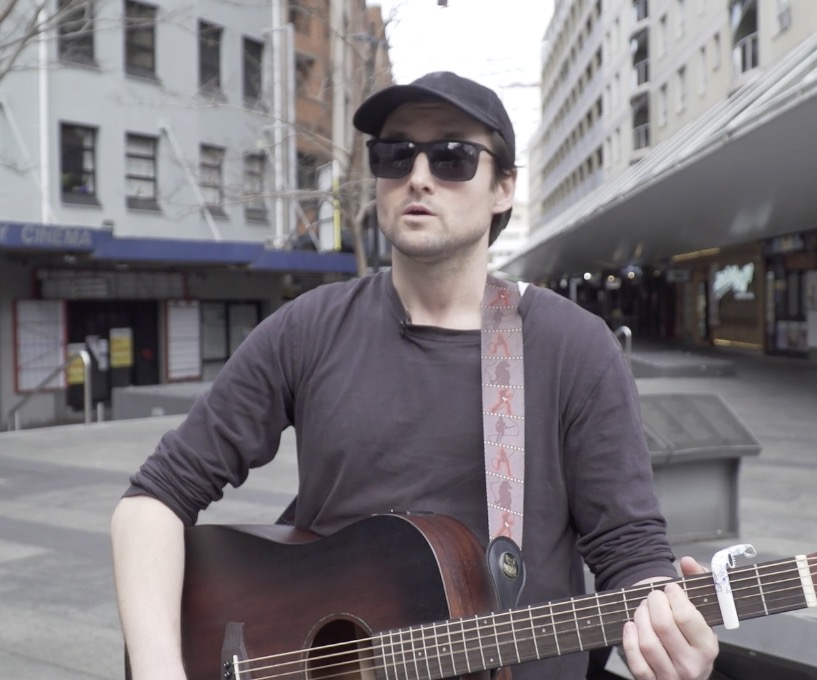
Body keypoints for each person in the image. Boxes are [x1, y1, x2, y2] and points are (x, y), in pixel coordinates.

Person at [111, 71, 718, 680]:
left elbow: (629, 550)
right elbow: (154, 500)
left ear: (504, 187)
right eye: (395, 153)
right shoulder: (308, 328)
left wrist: (663, 620)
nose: (418, 176)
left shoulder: (576, 347)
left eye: (453, 155)